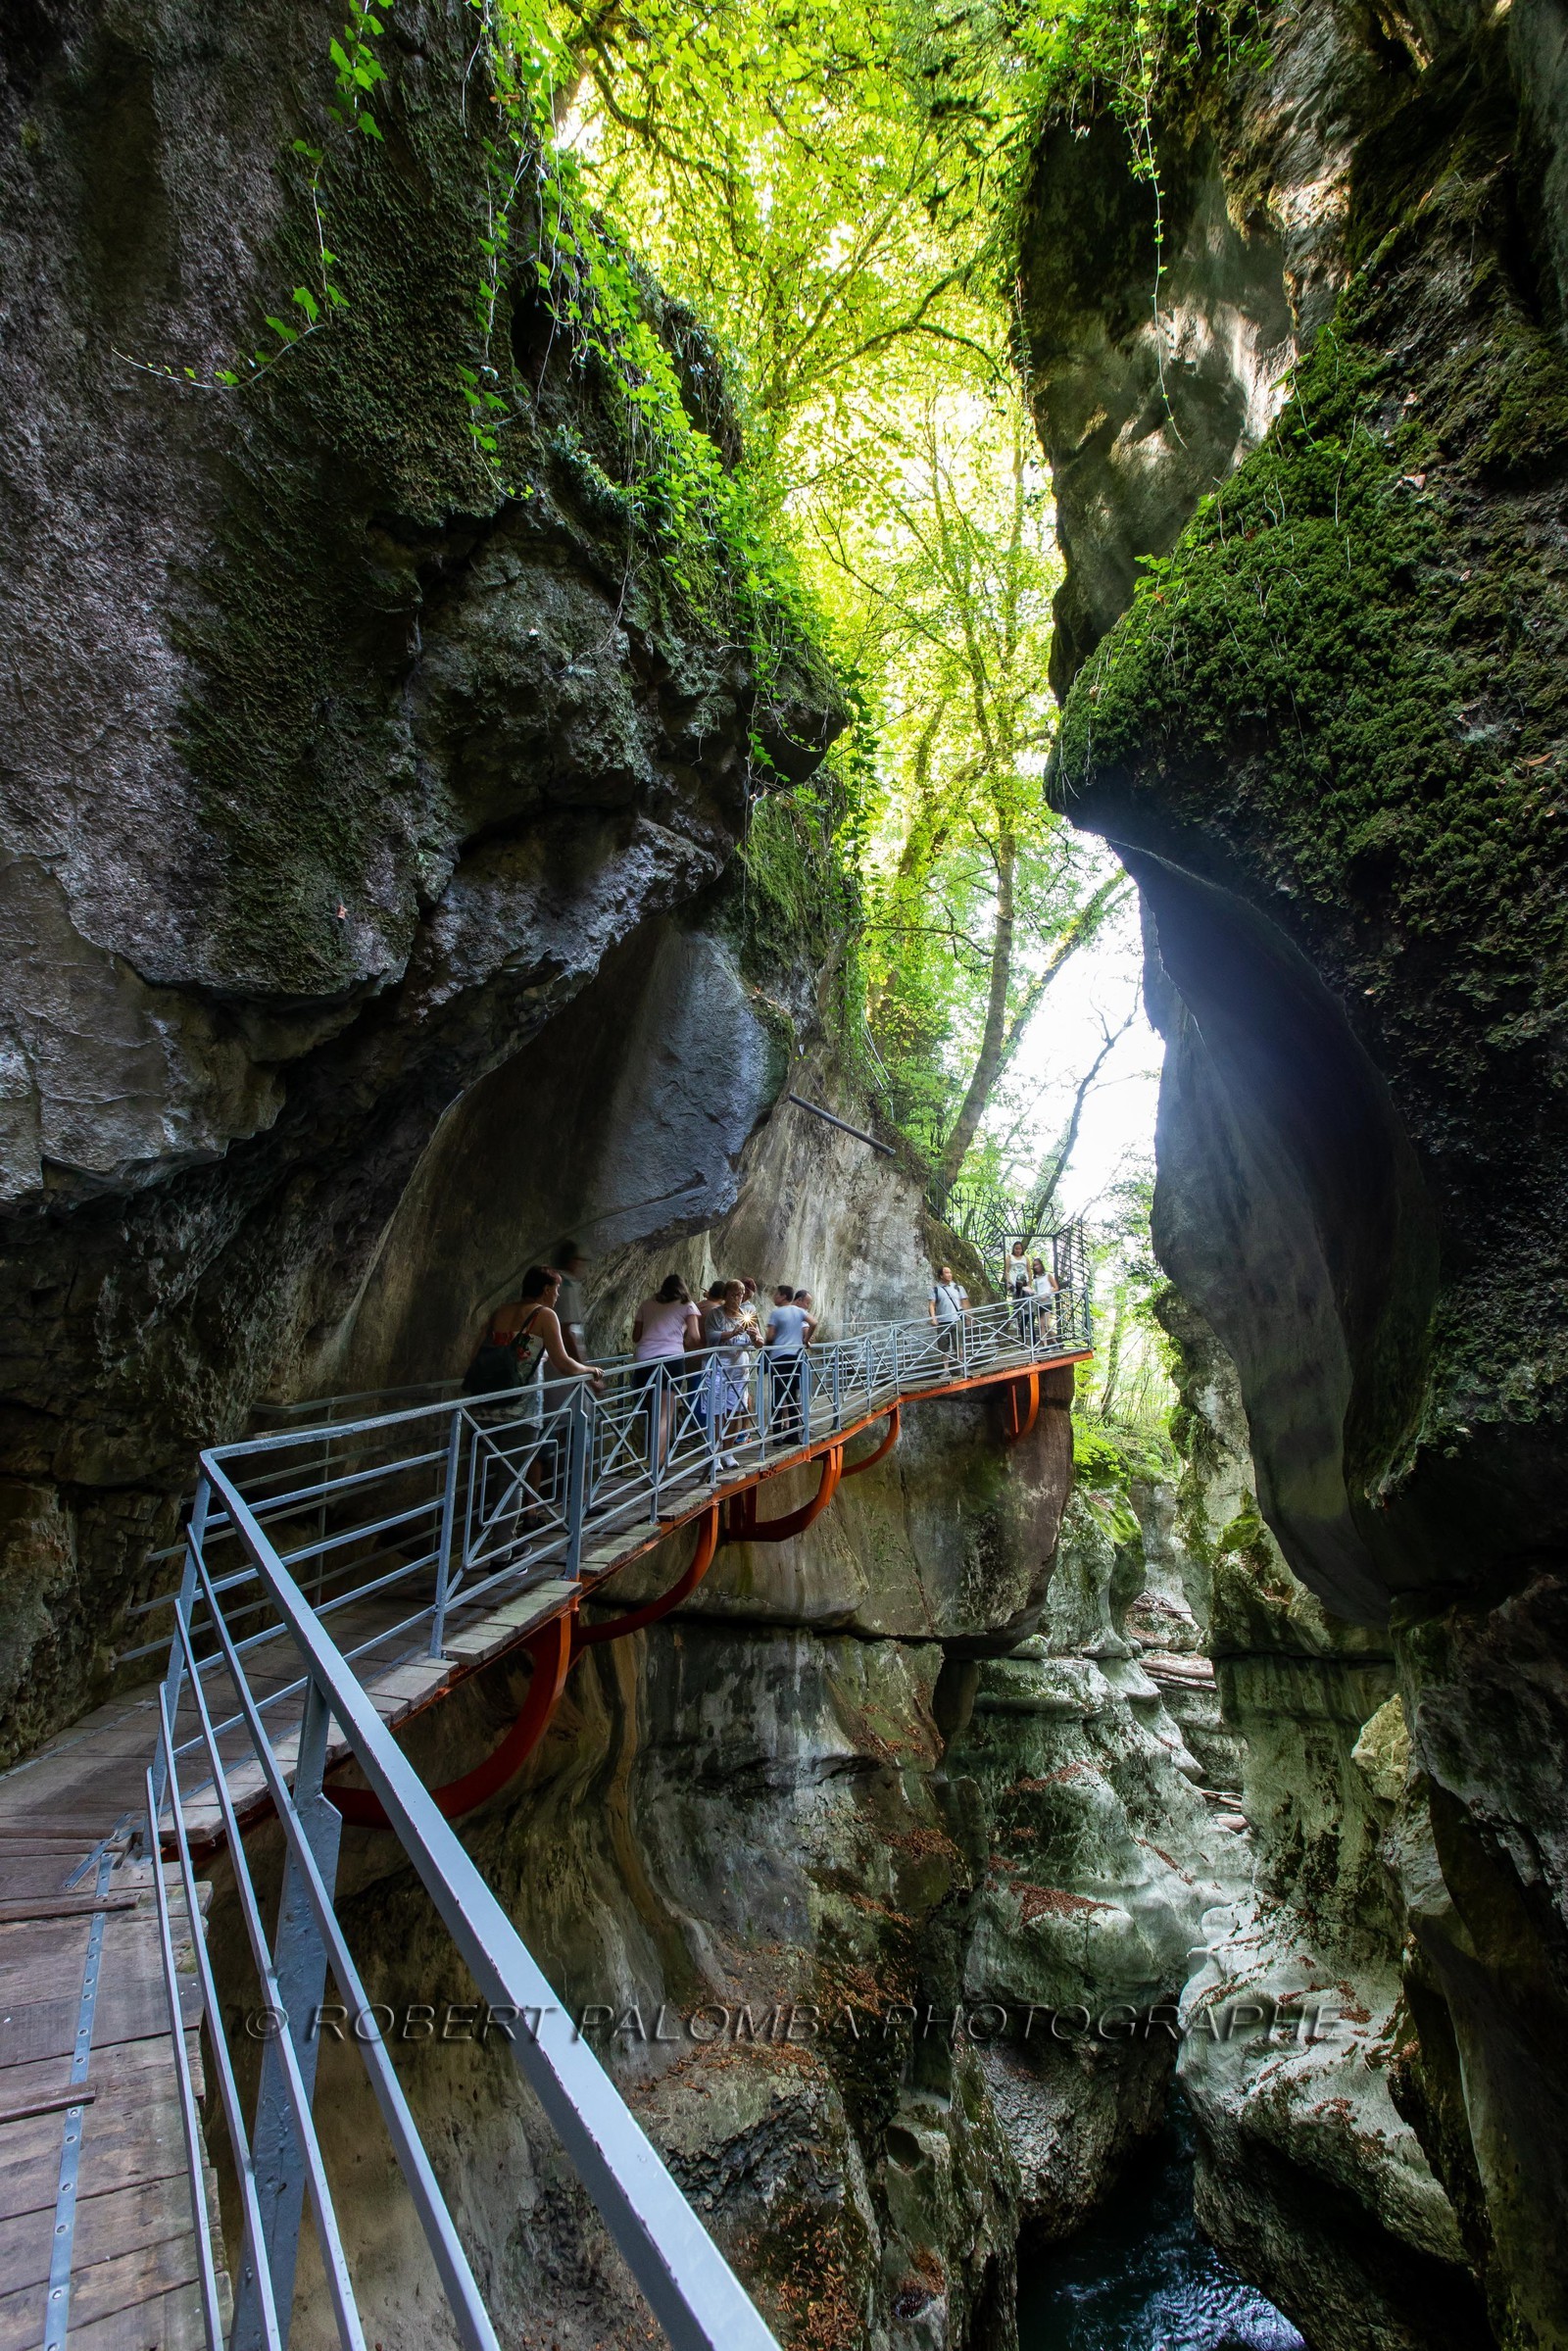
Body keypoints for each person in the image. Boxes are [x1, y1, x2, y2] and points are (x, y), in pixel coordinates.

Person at [631, 1274, 703, 1467]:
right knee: (664, 1413)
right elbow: (694, 1337)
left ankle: (649, 1455)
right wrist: (682, 1340)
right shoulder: (687, 1304)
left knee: (650, 1413)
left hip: (644, 1361)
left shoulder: (647, 1304)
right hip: (671, 1361)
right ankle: (659, 1461)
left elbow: (635, 1336)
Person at [706, 1279, 757, 1471]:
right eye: (735, 1294)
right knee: (718, 1413)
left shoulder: (746, 1314)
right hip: (719, 1369)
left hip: (739, 1370)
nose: (739, 1298)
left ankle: (728, 1452)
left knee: (736, 1411)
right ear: (726, 1295)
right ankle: (716, 1454)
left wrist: (755, 1337)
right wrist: (732, 1332)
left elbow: (758, 1342)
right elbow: (710, 1337)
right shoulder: (715, 1314)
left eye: (741, 1294)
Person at [764, 1284, 815, 1441]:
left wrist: (767, 1344)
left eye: (776, 1294)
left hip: (778, 1357)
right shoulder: (799, 1311)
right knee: (793, 1394)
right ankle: (793, 1434)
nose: (774, 1297)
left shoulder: (776, 1313)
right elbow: (814, 1323)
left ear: (783, 1296)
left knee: (778, 1394)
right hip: (795, 1357)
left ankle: (777, 1435)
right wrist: (805, 1341)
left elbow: (771, 1336)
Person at [555, 1244, 591, 1360]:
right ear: (572, 1261)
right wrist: (582, 1366)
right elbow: (566, 1330)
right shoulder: (565, 1284)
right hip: (566, 1362)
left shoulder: (566, 1281)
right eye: (580, 1260)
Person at [928, 1263, 969, 1359]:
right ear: (941, 1276)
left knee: (959, 1345)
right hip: (943, 1322)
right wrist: (933, 1318)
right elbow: (931, 1305)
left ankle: (962, 1367)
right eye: (946, 1273)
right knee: (943, 1348)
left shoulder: (958, 1288)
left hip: (957, 1320)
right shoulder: (935, 1289)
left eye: (950, 1272)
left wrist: (968, 1317)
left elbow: (964, 1303)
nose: (949, 1274)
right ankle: (946, 1371)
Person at [1032, 1255, 1059, 1339]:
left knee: (1047, 1325)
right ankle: (1045, 1346)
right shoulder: (1035, 1280)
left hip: (1047, 1301)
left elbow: (1056, 1288)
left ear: (1041, 1265)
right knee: (1041, 1325)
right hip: (1039, 1302)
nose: (1036, 1267)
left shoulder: (1048, 1275)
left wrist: (1047, 1294)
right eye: (1034, 1265)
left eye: (1038, 1264)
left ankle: (1056, 1342)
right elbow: (1036, 1291)